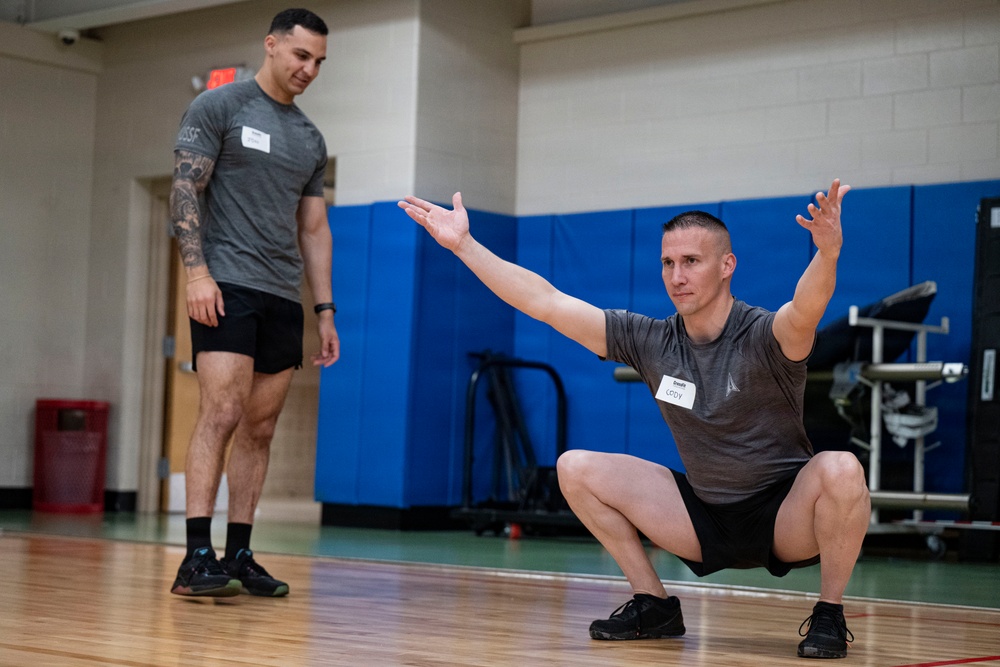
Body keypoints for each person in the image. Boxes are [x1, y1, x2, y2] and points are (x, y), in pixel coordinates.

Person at [398, 179, 870, 659]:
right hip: (702, 518)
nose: (677, 276)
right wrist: (464, 244)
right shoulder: (650, 340)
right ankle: (654, 603)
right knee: (575, 468)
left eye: (691, 261)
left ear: (727, 266)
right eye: (668, 263)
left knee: (843, 469)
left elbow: (807, 309)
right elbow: (545, 302)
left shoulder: (766, 336)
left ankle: (829, 613)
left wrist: (827, 253)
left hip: (783, 518)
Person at [168, 7, 339, 598]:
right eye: (301, 55)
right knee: (221, 411)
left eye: (318, 61)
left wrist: (324, 310)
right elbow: (186, 187)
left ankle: (238, 551)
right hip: (226, 284)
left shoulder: (310, 138)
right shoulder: (220, 107)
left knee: (261, 428)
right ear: (272, 45)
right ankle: (196, 555)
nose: (309, 69)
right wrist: (196, 272)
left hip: (280, 296)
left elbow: (314, 230)